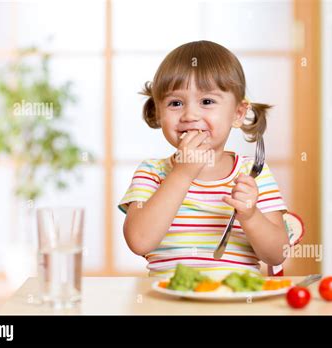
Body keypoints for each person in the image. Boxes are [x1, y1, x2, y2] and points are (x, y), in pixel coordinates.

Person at [118, 40, 289, 279]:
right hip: (169, 301)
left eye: (207, 102)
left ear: (238, 113)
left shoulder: (252, 171)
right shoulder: (151, 172)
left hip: (235, 302)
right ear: (158, 111)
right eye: (175, 103)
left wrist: (250, 216)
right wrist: (183, 173)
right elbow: (139, 241)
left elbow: (277, 254)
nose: (190, 115)